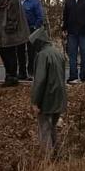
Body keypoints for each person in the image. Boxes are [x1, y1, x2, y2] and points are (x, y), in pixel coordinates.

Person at [29, 26, 67, 157]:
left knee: (44, 129)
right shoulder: (58, 53)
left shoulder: (42, 55)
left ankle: (48, 160)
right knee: (53, 128)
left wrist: (35, 102)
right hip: (60, 98)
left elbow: (39, 81)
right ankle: (58, 155)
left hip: (47, 98)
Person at [0, 0, 29, 86]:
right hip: (4, 30)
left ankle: (12, 76)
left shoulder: (13, 0)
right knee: (4, 52)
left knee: (9, 54)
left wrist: (8, 29)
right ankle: (10, 75)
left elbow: (13, 18)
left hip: (11, 32)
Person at [19, 0, 45, 80]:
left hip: (31, 29)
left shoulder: (35, 1)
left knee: (31, 52)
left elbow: (40, 16)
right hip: (20, 30)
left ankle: (31, 73)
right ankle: (22, 73)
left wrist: (35, 27)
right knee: (20, 52)